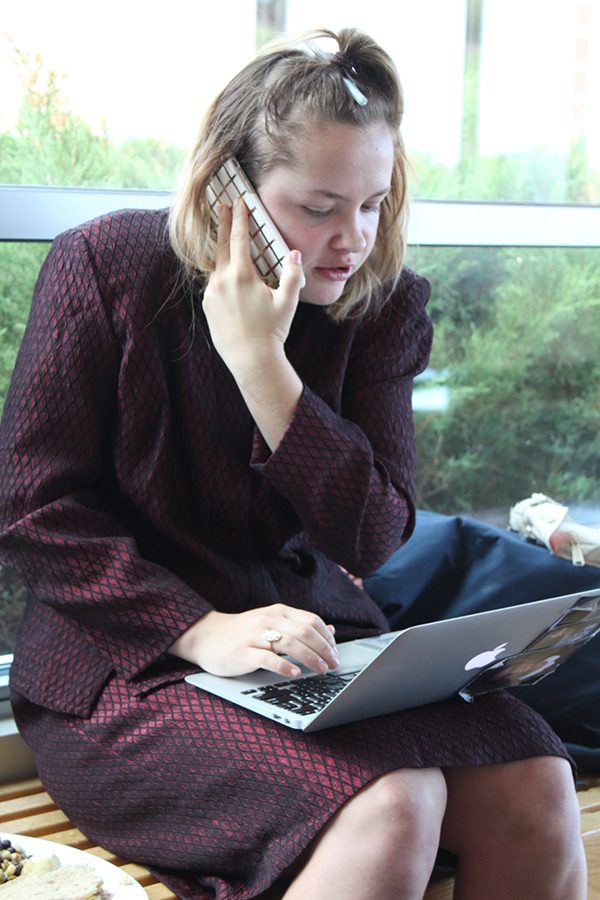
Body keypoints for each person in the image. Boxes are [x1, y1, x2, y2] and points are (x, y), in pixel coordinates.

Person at [0, 27, 586, 900]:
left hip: (311, 656)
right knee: (396, 803)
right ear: (228, 187)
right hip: (126, 672)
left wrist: (266, 372)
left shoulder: (379, 309)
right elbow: (28, 510)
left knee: (538, 783)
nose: (351, 239)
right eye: (319, 207)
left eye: (372, 204)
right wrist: (198, 629)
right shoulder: (106, 266)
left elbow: (377, 531)